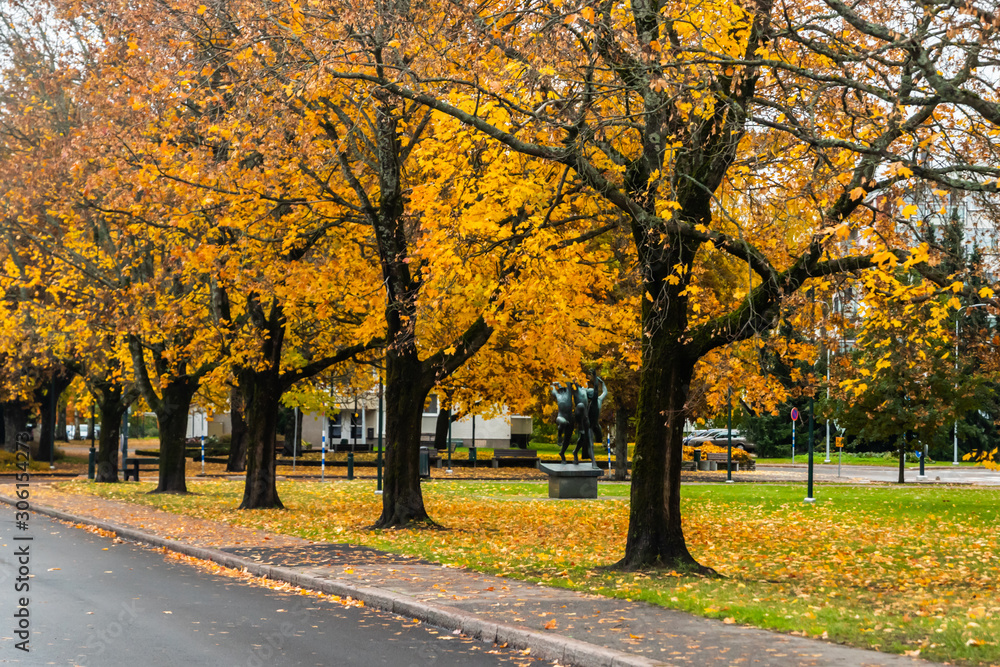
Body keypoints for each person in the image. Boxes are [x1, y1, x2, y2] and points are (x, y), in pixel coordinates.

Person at [551, 382, 575, 463]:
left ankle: (562, 453)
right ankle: (559, 436)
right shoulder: (557, 395)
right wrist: (554, 382)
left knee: (567, 439)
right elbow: (551, 387)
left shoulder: (569, 393)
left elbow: (568, 381)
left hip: (570, 418)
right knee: (564, 422)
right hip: (560, 417)